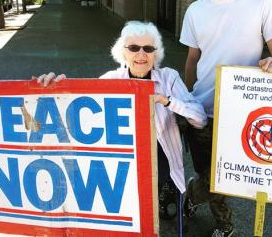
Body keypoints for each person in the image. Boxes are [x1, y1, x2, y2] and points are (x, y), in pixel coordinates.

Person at [35, 21, 207, 221]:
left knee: (147, 207)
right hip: (122, 163)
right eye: (134, 48)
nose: (141, 55)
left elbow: (200, 119)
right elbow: (76, 113)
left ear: (155, 53)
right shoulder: (110, 80)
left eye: (148, 48)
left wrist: (167, 101)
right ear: (123, 52)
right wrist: (56, 90)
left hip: (158, 158)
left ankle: (164, 188)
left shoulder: (169, 78)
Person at [179, 0, 272, 236]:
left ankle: (193, 196)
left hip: (242, 112)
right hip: (202, 111)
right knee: (211, 174)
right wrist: (187, 100)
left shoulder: (263, 3)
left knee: (225, 178)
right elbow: (192, 60)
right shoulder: (195, 10)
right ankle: (223, 223)